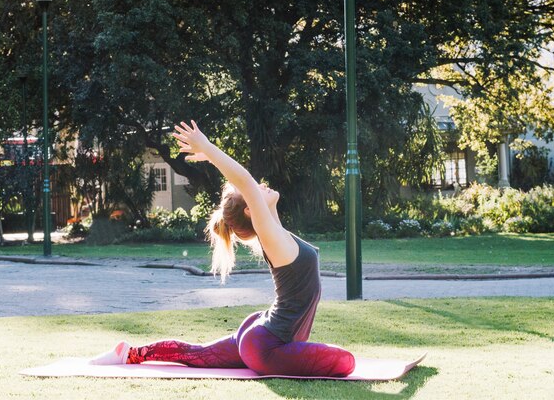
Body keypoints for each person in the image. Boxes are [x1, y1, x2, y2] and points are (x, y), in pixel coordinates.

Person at [89, 120, 355, 377]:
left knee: (197, 355)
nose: (261, 185)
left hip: (264, 333)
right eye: (253, 192)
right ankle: (127, 354)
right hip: (269, 345)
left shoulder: (276, 232)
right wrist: (207, 147)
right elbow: (247, 181)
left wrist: (211, 155)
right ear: (251, 210)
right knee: (346, 362)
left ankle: (130, 353)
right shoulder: (270, 235)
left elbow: (249, 186)